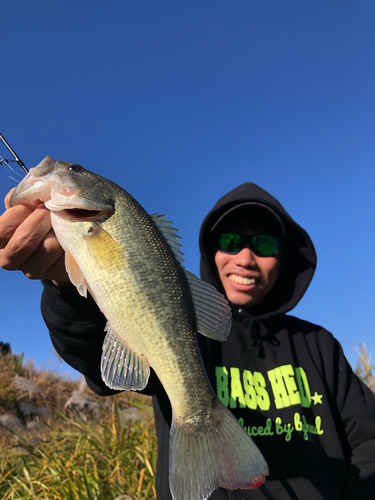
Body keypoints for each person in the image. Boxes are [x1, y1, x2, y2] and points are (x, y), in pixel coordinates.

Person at [1, 182, 375, 500]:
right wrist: (65, 289)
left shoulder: (319, 344)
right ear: (211, 252)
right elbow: (95, 359)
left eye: (263, 244)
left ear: (285, 257)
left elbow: (367, 440)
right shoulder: (190, 324)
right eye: (230, 241)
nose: (245, 257)